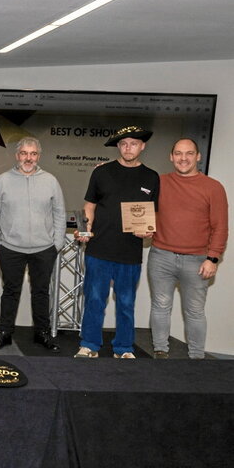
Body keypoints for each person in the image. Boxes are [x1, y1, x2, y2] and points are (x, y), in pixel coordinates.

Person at [74, 126, 159, 359]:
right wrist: (84, 228)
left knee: (126, 303)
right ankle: (89, 344)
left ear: (142, 146)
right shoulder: (101, 172)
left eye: (133, 143)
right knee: (93, 300)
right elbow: (89, 206)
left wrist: (148, 232)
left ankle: (123, 348)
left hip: (129, 253)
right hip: (98, 249)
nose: (128, 147)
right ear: (118, 147)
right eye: (123, 144)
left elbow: (153, 214)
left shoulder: (151, 177)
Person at [148, 138, 228, 359]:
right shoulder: (159, 182)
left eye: (189, 153)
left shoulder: (214, 188)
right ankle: (160, 353)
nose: (183, 158)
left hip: (198, 260)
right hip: (161, 256)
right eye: (179, 153)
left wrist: (212, 259)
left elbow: (220, 227)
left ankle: (196, 359)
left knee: (194, 312)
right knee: (160, 307)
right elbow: (133, 193)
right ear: (171, 157)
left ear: (198, 156)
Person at [0, 137, 66, 352]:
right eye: (24, 153)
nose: (28, 158)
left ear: (38, 156)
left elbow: (60, 213)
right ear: (17, 155)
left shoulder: (50, 180)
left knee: (41, 292)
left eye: (32, 154)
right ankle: (5, 332)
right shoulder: (2, 180)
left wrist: (56, 244)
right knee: (10, 291)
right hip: (10, 248)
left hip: (44, 248)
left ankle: (42, 332)